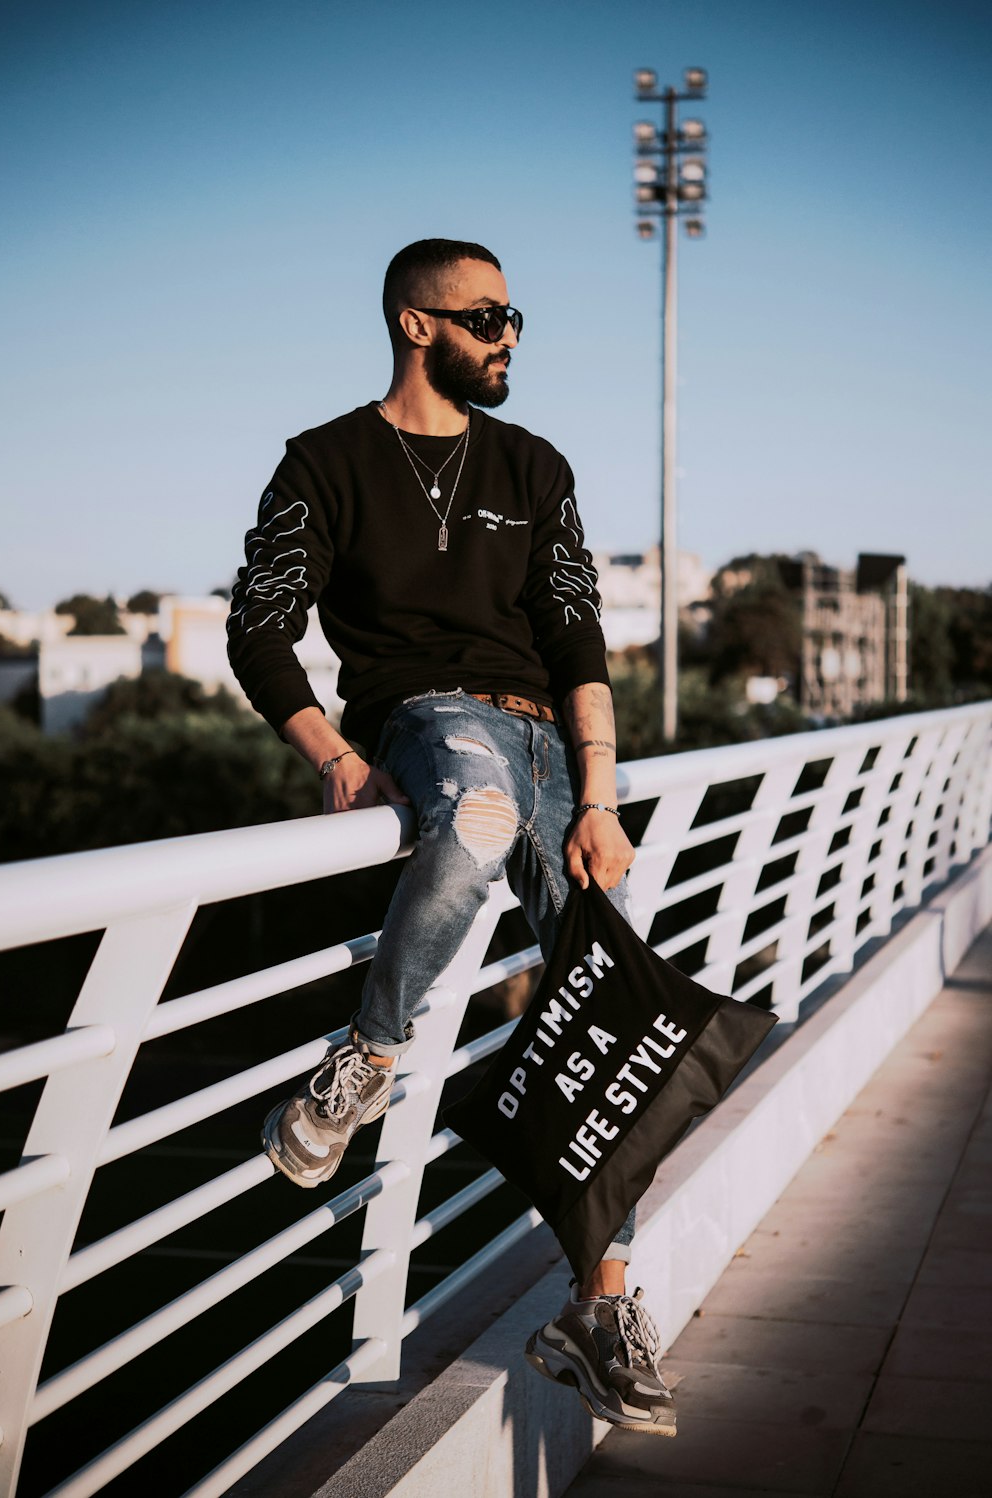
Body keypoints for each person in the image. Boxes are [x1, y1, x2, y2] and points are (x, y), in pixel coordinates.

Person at [226, 239, 676, 1435]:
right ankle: (362, 1062)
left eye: (517, 316)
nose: (511, 335)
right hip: (429, 719)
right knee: (470, 817)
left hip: (551, 747)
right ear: (417, 323)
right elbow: (260, 628)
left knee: (605, 1011)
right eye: (488, 316)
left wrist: (599, 796)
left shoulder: (533, 464)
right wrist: (334, 757)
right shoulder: (323, 462)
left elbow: (576, 635)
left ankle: (601, 1302)